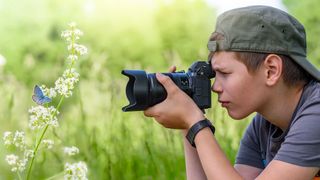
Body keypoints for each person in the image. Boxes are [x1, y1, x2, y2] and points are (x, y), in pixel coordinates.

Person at [144, 5, 320, 179]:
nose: (215, 87)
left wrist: (196, 124)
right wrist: (187, 123)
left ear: (271, 70)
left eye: (224, 74)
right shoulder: (263, 125)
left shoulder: (316, 115)